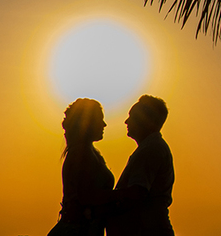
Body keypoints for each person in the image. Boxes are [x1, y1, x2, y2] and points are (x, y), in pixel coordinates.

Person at [106, 95, 175, 236]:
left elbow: (137, 192)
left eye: (133, 116)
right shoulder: (150, 147)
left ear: (149, 121)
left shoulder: (151, 149)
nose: (126, 121)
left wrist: (101, 198)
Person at [49, 98, 115, 236]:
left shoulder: (87, 151)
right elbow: (86, 196)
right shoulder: (82, 153)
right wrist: (123, 195)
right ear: (88, 122)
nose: (104, 124)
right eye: (100, 119)